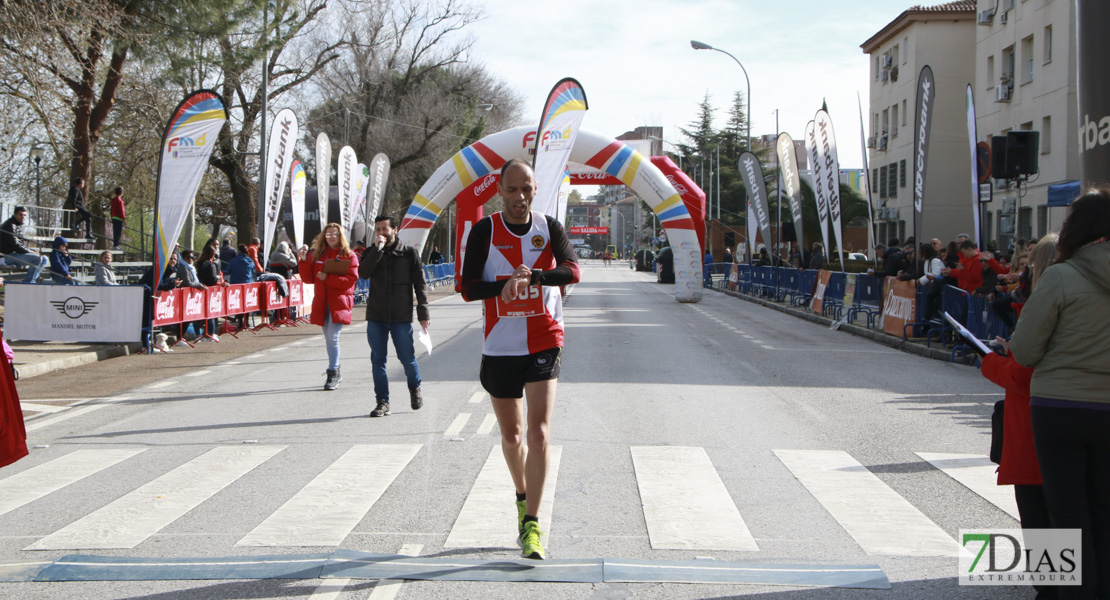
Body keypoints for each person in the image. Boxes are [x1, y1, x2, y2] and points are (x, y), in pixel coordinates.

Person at [460, 159, 581, 560]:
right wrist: (504, 286)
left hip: (545, 339)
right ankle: (521, 495)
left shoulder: (549, 228)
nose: (520, 197)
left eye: (526, 189)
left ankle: (531, 523)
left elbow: (572, 271)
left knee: (539, 434)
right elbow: (468, 287)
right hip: (500, 344)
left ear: (534, 189)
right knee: (512, 438)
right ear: (501, 191)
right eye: (512, 190)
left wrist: (538, 278)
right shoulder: (485, 230)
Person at [1010, 191, 1110, 599]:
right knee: (1104, 512)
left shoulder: (1060, 276)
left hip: (1059, 408)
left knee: (1067, 515)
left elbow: (1026, 349)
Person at [981, 236, 1058, 599]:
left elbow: (1022, 372)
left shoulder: (1042, 306)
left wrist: (991, 360)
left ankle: (1051, 589)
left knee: (1041, 521)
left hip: (1036, 426)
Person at [358, 215, 429, 416]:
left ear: (395, 229)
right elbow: (363, 273)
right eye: (378, 229)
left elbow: (420, 285)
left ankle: (415, 388)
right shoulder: (372, 252)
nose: (381, 233)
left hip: (400, 316)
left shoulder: (409, 254)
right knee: (378, 361)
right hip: (376, 316)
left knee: (407, 358)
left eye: (384, 229)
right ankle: (382, 402)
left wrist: (423, 312)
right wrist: (377, 251)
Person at [298, 223, 359, 391]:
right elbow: (309, 279)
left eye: (334, 234)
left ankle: (333, 371)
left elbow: (350, 280)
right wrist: (303, 262)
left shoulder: (349, 255)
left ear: (340, 236)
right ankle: (335, 367)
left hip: (339, 302)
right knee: (328, 337)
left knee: (333, 337)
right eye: (328, 234)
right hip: (322, 301)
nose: (331, 236)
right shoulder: (319, 254)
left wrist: (327, 278)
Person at [1, 206, 49, 283]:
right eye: (20, 214)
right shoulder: (10, 225)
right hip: (7, 256)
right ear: (15, 215)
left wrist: (32, 251)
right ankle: (28, 283)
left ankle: (30, 281)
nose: (23, 217)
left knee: (45, 259)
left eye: (25, 215)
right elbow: (15, 245)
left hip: (16, 254)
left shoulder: (18, 225)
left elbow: (21, 244)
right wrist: (31, 252)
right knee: (37, 258)